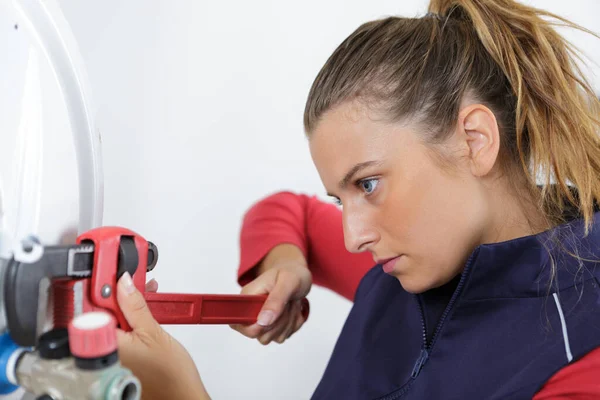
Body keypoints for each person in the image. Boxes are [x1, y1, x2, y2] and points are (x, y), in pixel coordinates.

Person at [115, 0, 600, 398]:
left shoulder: (580, 362)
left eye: (367, 184)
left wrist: (176, 391)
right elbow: (291, 213)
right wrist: (286, 265)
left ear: (474, 140)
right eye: (340, 198)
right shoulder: (407, 260)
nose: (352, 238)